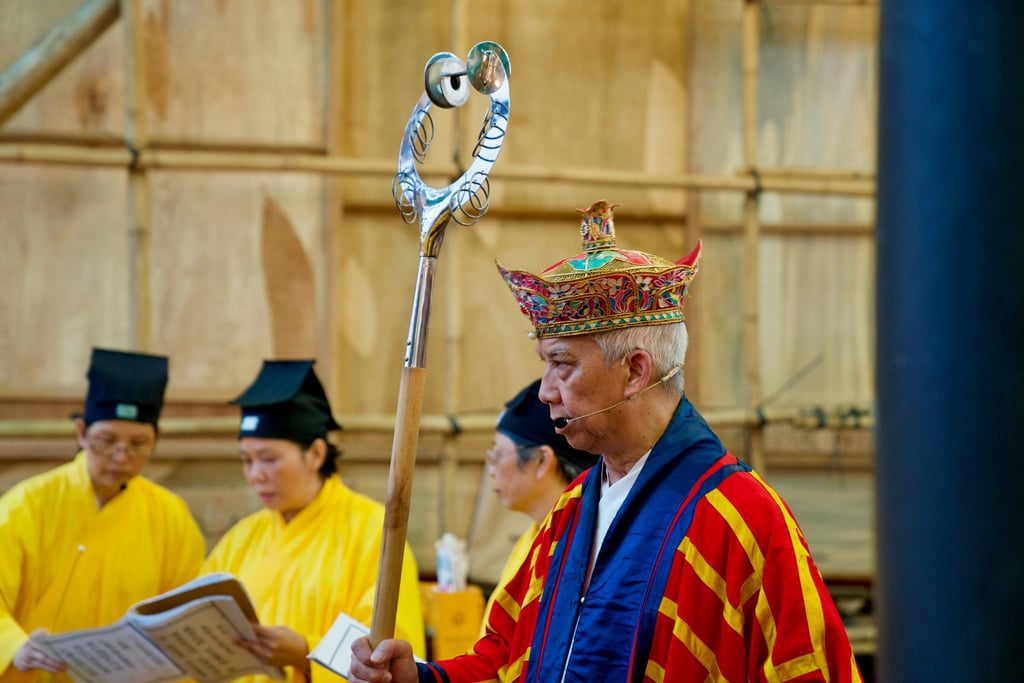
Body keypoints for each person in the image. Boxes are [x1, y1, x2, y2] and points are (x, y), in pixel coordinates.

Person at [349, 200, 863, 682]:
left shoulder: (745, 518)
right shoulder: (568, 514)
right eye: (545, 365)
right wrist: (421, 676)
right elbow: (507, 659)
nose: (546, 392)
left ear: (636, 371)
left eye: (562, 365)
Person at [202, 359, 426, 683]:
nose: (255, 475)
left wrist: (305, 652)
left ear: (316, 454)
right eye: (247, 461)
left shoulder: (375, 533)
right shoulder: (241, 538)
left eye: (268, 459)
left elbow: (388, 653)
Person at [0, 348, 206, 682]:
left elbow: (184, 616)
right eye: (106, 441)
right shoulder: (27, 505)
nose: (121, 457)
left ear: (157, 440)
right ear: (81, 433)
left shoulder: (170, 516)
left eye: (138, 444)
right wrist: (15, 646)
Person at [481, 378, 598, 635]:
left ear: (542, 460)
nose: (491, 470)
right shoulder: (533, 536)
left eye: (498, 454)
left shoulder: (581, 553)